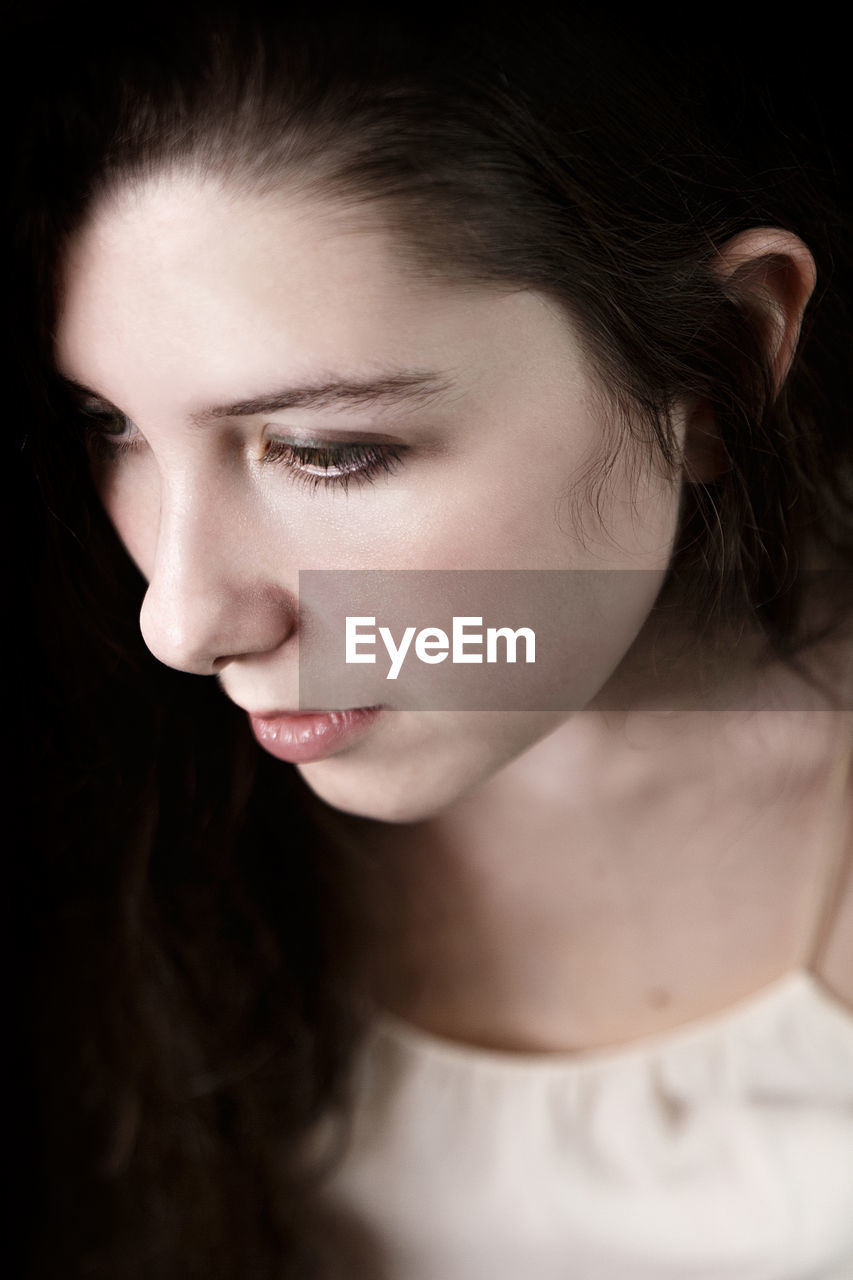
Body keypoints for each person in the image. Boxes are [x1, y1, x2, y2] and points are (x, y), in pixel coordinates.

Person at [12, 3, 852, 1277]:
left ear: (724, 351)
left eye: (328, 451)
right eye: (111, 427)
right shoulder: (91, 803)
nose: (180, 621)